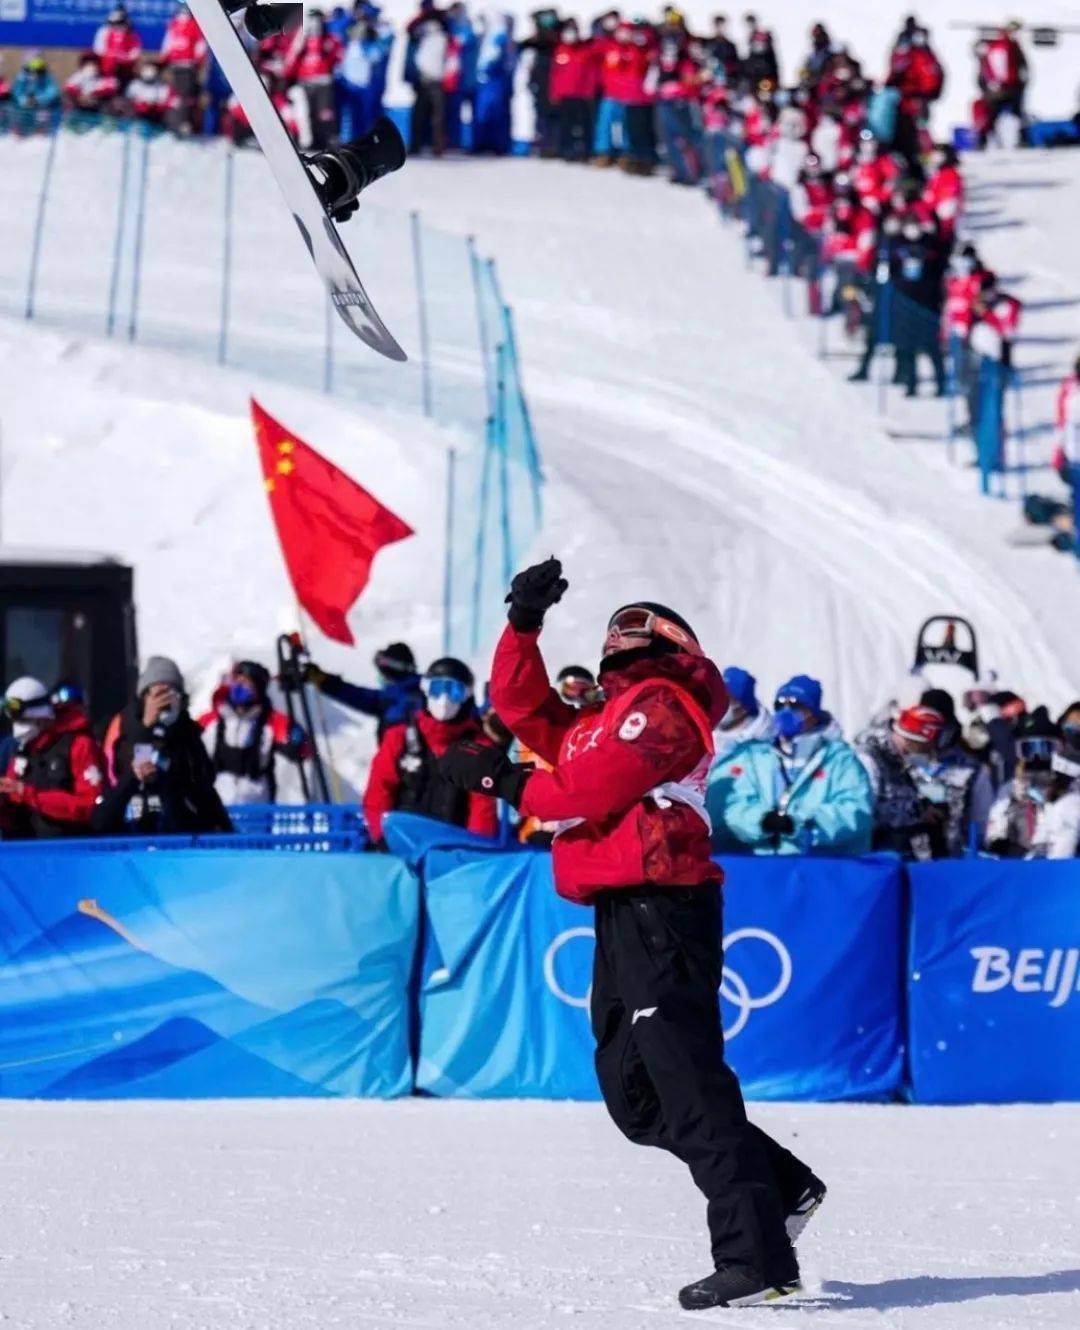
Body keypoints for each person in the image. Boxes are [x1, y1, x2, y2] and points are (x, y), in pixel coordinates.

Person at [440, 558, 823, 1310]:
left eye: (632, 629)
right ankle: (781, 1185)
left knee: (687, 1081)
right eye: (614, 632)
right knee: (636, 1098)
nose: (617, 639)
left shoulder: (667, 703)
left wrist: (505, 782)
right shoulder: (601, 720)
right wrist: (523, 625)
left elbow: (587, 788)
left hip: (664, 906)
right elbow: (525, 711)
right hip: (620, 912)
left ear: (667, 644)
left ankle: (758, 1258)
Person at [716, 674, 874, 855]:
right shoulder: (757, 758)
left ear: (814, 713)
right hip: (765, 864)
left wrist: (799, 824)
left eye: (796, 706)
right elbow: (736, 806)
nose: (785, 712)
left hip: (820, 867)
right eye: (779, 705)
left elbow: (855, 811)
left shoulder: (839, 760)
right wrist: (761, 821)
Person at [362, 656, 498, 845]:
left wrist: (476, 852)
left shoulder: (479, 747)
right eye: (437, 689)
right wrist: (381, 836)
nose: (444, 699)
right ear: (425, 691)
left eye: (455, 691)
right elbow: (379, 792)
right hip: (399, 844)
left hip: (453, 851)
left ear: (467, 696)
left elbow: (482, 809)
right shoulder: (399, 737)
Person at [96, 656, 232, 835]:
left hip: (178, 838)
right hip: (131, 837)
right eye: (158, 694)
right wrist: (147, 729)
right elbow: (103, 817)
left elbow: (203, 791)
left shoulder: (188, 734)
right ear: (145, 697)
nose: (164, 701)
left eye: (171, 693)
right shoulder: (124, 730)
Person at [0, 677, 105, 839]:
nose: (19, 727)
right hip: (27, 852)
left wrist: (29, 794)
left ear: (42, 717)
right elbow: (13, 814)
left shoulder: (79, 745)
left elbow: (90, 806)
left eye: (24, 720)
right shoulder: (23, 751)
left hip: (71, 851)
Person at [198, 661, 312, 805]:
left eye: (246, 682)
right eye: (237, 681)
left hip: (255, 810)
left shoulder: (270, 722)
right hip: (215, 808)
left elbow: (306, 749)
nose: (239, 686)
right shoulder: (210, 720)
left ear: (258, 689)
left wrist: (298, 740)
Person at [986, 708, 1080, 859]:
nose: (1037, 757)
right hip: (1023, 870)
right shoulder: (1010, 791)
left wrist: (1057, 794)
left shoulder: (1070, 786)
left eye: (1045, 749)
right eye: (1029, 749)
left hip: (1064, 865)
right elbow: (994, 836)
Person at [305, 641, 423, 742]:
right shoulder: (415, 692)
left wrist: (324, 681)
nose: (381, 678)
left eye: (383, 673)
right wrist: (324, 680)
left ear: (391, 672)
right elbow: (358, 696)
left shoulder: (399, 699)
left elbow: (360, 697)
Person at [285, 9, 344, 149]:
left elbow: (338, 59)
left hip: (323, 82)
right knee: (304, 113)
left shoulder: (330, 39)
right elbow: (291, 63)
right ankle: (306, 142)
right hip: (305, 82)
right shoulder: (301, 41)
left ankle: (324, 140)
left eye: (318, 20)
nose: (315, 24)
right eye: (312, 20)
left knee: (324, 114)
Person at [405, 0, 450, 155]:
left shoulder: (444, 25)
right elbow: (408, 29)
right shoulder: (419, 28)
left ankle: (437, 147)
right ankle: (416, 145)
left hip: (437, 77)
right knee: (420, 113)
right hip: (423, 76)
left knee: (438, 115)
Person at [550, 19, 597, 162]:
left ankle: (586, 150)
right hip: (565, 95)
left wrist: (589, 91)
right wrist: (554, 93)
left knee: (584, 124)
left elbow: (591, 73)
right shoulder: (560, 50)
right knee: (566, 124)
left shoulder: (585, 51)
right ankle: (566, 149)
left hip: (582, 95)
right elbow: (555, 74)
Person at [160, 1, 206, 133]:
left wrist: (197, 61)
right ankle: (173, 122)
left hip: (186, 65)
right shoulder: (174, 24)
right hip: (177, 64)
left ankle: (182, 123)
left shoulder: (194, 25)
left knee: (184, 96)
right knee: (174, 96)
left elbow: (199, 44)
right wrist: (165, 57)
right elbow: (168, 41)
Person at [93, 5, 143, 85]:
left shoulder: (132, 34)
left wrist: (124, 57)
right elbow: (98, 48)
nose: (116, 25)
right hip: (106, 63)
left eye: (119, 22)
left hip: (125, 65)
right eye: (113, 23)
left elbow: (135, 51)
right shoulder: (103, 31)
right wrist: (111, 55)